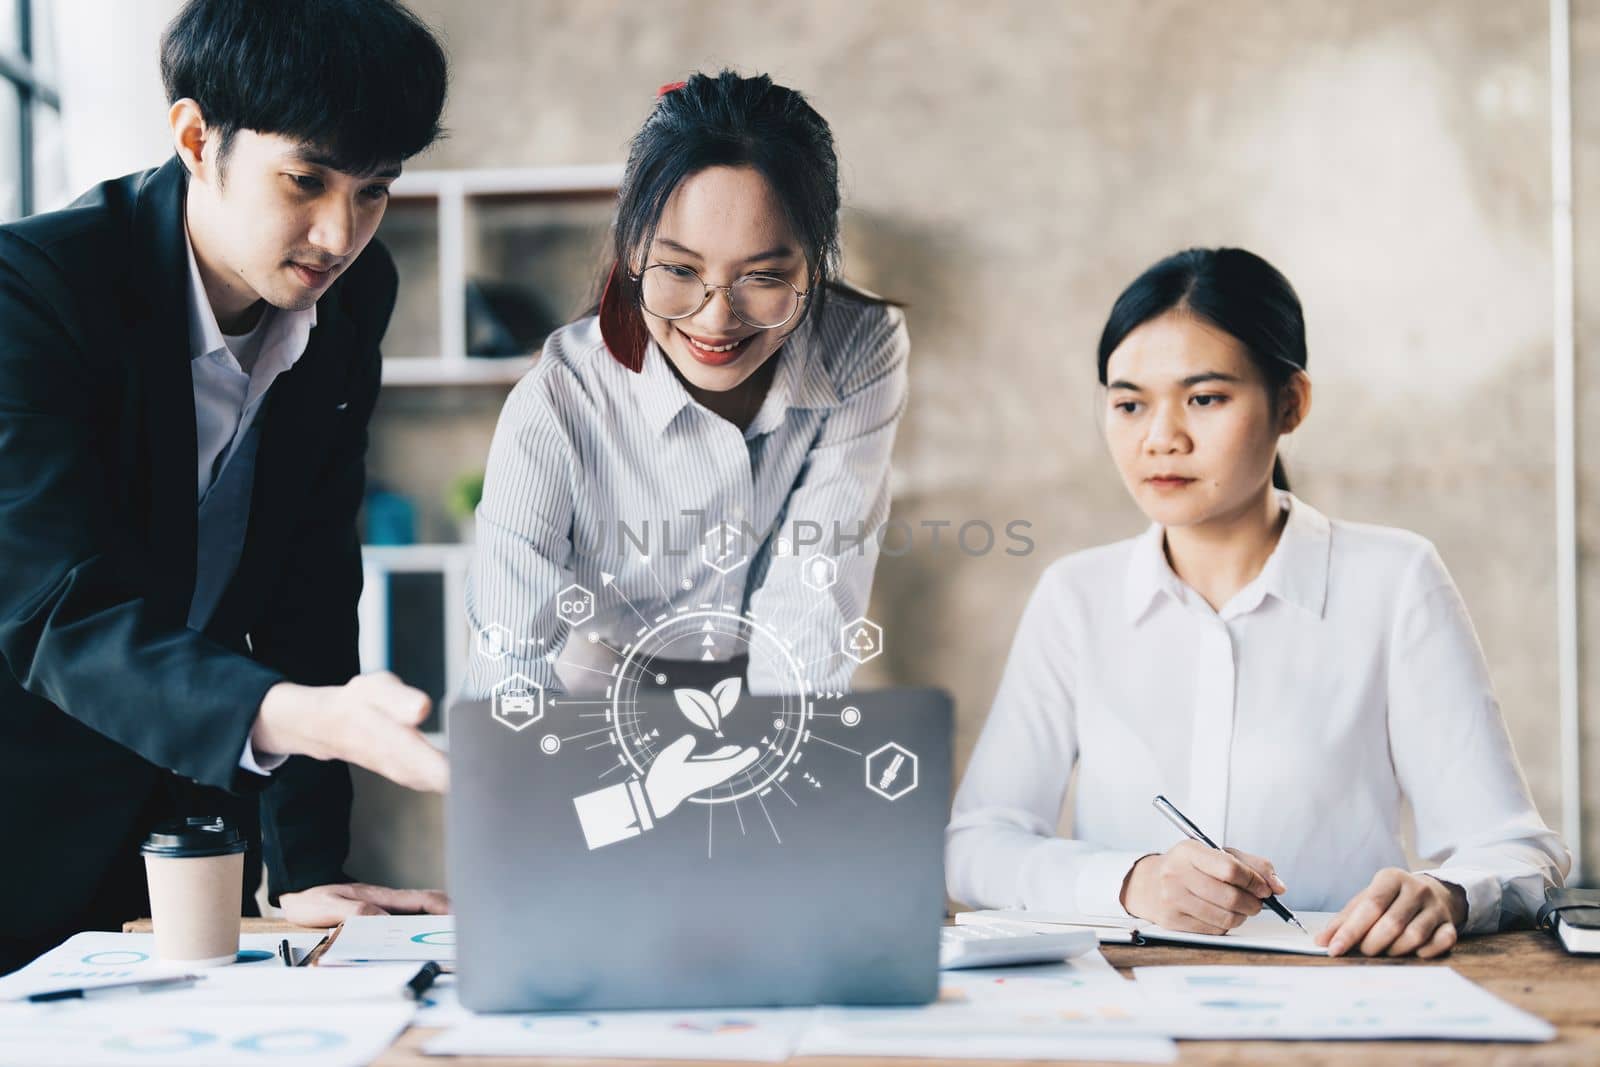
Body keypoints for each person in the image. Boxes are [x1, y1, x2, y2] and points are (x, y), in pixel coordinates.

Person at [946, 247, 1568, 958]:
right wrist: (1129, 882)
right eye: (1128, 404)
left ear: (1290, 404)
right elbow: (976, 846)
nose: (1160, 438)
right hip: (1124, 999)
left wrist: (1449, 891)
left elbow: (1516, 849)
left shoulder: (1395, 580)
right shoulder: (1076, 597)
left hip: (1344, 995)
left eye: (1205, 398)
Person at [0, 0, 451, 974]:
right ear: (196, 137)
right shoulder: (31, 289)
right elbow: (54, 612)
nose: (340, 232)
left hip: (174, 831)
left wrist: (304, 872)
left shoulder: (351, 298)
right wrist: (298, 713)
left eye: (374, 191)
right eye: (307, 179)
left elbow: (309, 584)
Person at [464, 71, 908, 704]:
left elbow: (815, 586)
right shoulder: (558, 399)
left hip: (767, 670)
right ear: (633, 251)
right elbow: (509, 651)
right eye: (679, 269)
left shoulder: (860, 343)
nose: (714, 319)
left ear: (817, 262)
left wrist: (787, 762)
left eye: (762, 276)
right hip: (601, 677)